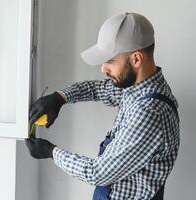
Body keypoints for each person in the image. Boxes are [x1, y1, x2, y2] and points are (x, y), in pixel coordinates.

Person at [25, 12, 180, 200]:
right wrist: (60, 98)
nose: (103, 69)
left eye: (110, 60)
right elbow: (98, 89)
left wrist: (50, 151)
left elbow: (98, 173)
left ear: (136, 59)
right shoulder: (136, 88)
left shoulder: (150, 113)